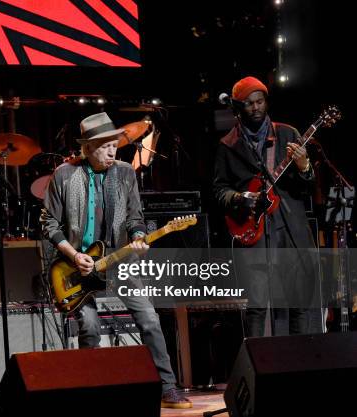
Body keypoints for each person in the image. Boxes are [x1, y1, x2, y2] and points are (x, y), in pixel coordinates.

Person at [40, 112, 192, 409]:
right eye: (105, 145)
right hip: (76, 266)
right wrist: (74, 255)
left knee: (149, 319)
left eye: (114, 144)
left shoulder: (124, 173)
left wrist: (138, 235)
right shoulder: (64, 174)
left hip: (119, 261)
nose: (113, 150)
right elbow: (49, 224)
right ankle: (91, 390)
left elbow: (136, 217)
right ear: (86, 148)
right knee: (90, 327)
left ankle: (167, 387)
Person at [213, 76, 317, 337]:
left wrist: (304, 166)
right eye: (249, 104)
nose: (256, 107)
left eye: (260, 102)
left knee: (298, 304)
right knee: (257, 306)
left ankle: (299, 363)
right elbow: (219, 191)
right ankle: (257, 368)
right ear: (238, 107)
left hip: (289, 228)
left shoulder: (287, 134)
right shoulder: (228, 144)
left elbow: (306, 187)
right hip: (253, 231)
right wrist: (242, 198)